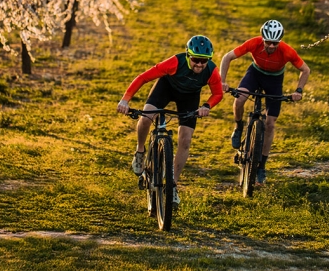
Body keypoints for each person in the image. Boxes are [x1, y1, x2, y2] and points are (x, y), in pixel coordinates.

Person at [117, 35, 223, 208]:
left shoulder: (211, 71)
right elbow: (143, 77)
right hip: (166, 88)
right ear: (188, 56)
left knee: (186, 139)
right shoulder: (174, 63)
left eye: (204, 61)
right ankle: (140, 152)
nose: (199, 64)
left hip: (189, 97)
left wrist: (207, 106)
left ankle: (172, 184)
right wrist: (125, 100)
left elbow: (218, 94)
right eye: (196, 59)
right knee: (146, 118)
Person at [219, 20, 310, 185]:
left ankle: (261, 166)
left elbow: (305, 70)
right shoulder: (254, 43)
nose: (271, 46)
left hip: (274, 80)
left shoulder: (287, 51)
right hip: (255, 73)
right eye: (268, 42)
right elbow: (227, 57)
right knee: (240, 99)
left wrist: (299, 90)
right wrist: (222, 81)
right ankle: (238, 127)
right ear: (262, 38)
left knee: (270, 124)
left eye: (275, 43)